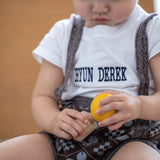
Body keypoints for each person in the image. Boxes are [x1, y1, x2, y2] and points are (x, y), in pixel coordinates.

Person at [0, 0, 160, 159]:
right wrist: (54, 120)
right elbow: (43, 96)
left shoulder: (152, 29)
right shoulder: (63, 33)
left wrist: (139, 106)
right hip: (67, 139)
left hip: (132, 139)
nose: (99, 8)